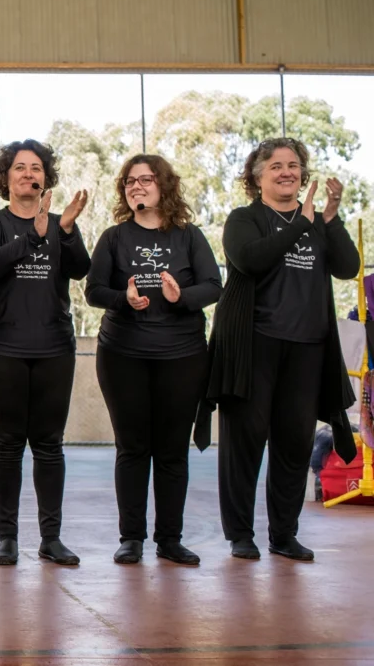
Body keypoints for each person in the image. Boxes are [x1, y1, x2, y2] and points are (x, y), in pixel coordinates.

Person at [204, 138, 359, 561]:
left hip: (308, 348)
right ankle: (240, 534)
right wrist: (300, 226)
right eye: (276, 165)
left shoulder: (317, 223)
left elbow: (348, 268)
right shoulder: (245, 219)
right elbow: (250, 260)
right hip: (254, 348)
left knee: (293, 445)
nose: (287, 171)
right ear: (257, 176)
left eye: (293, 165)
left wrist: (330, 218)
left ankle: (283, 534)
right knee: (245, 443)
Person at [86, 154, 221, 565]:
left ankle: (170, 539)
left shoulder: (189, 236)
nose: (136, 187)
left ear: (164, 185)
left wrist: (183, 297)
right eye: (129, 181)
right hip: (122, 354)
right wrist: (122, 299)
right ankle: (132, 538)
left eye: (146, 179)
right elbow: (94, 291)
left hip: (181, 356)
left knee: (171, 450)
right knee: (132, 447)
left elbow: (213, 285)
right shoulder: (113, 237)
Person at [0, 140, 89, 567]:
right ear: (6, 178)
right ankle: (7, 537)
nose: (27, 174)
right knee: (6, 444)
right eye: (19, 168)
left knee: (49, 445)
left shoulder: (62, 224)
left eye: (35, 168)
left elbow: (79, 269)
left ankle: (51, 537)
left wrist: (67, 231)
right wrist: (33, 236)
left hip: (54, 346)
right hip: (0, 345)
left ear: (45, 178)